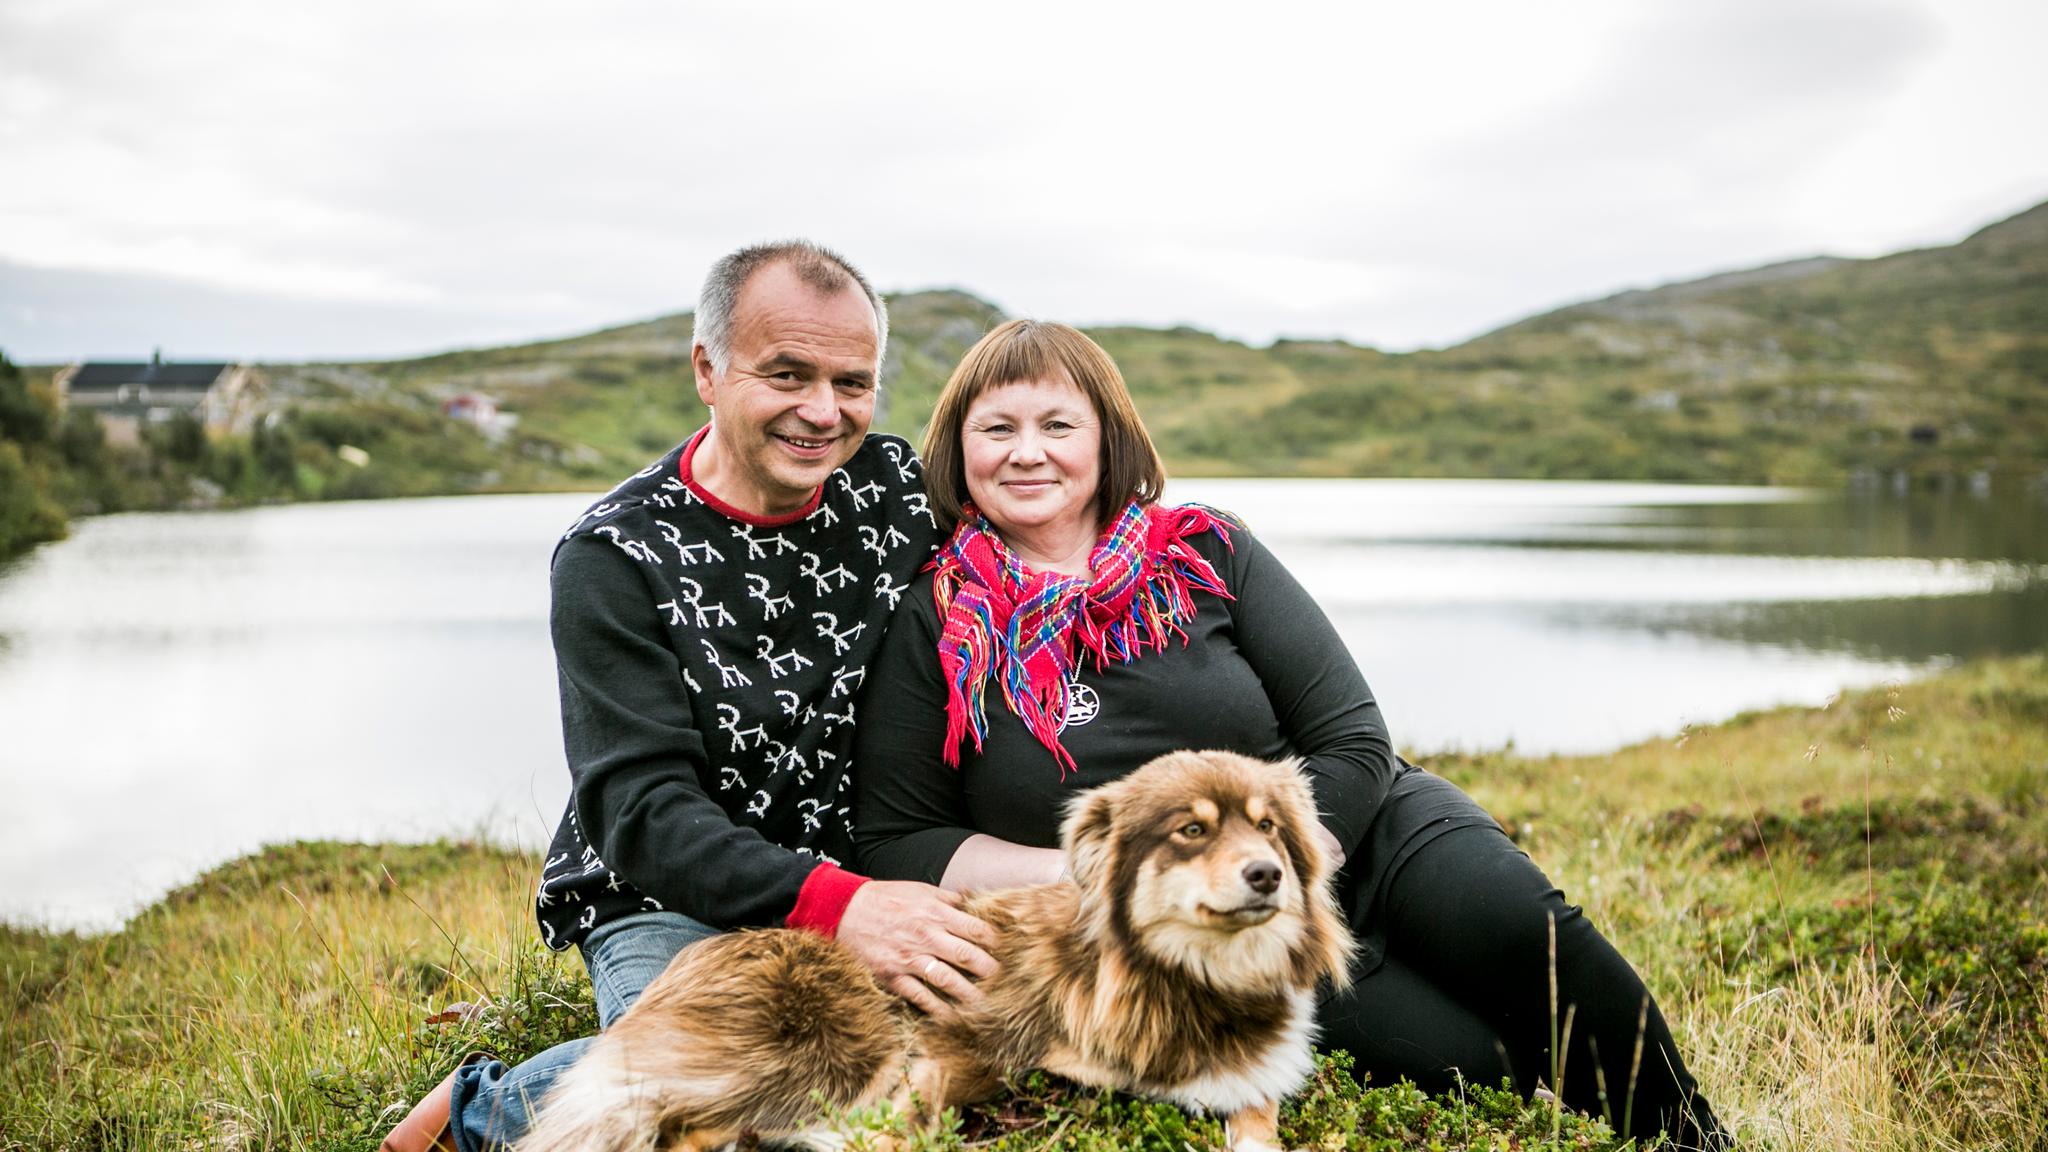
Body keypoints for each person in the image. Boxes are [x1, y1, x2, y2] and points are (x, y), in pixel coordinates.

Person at [851, 320, 1729, 1150]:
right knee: (1470, 1067)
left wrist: (1294, 872)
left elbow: (1353, 738)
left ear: (1107, 438)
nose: (1028, 451)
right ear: (958, 450)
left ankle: (1697, 1140)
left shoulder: (1208, 552)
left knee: (1523, 938)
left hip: (1360, 833)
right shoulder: (934, 619)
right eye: (996, 427)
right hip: (1181, 925)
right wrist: (1097, 873)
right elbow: (899, 839)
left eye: (1057, 423)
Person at [381, 241, 996, 1152]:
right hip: (667, 894)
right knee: (747, 1093)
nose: (822, 412)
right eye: (786, 373)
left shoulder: (898, 488)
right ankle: (480, 1111)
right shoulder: (613, 560)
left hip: (869, 867)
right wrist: (843, 909)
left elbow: (1047, 535)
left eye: (851, 382)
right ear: (707, 369)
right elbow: (643, 812)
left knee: (938, 1066)